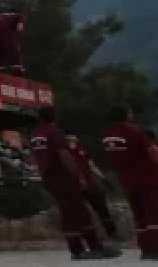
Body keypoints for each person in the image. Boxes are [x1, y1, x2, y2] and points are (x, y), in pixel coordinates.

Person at [29, 107, 119, 260]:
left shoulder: (35, 135)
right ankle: (86, 249)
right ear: (54, 117)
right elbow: (64, 155)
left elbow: (35, 157)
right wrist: (78, 175)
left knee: (69, 213)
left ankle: (84, 247)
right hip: (63, 178)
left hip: (49, 179)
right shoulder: (55, 132)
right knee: (78, 212)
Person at [101, 105, 158, 261]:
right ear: (126, 115)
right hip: (147, 179)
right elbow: (151, 153)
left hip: (127, 180)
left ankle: (147, 249)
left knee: (141, 215)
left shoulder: (107, 136)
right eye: (130, 112)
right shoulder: (134, 132)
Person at [65, 134, 117, 240]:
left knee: (102, 209)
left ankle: (111, 233)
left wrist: (104, 179)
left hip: (90, 185)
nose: (73, 140)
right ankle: (86, 236)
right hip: (74, 186)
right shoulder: (64, 153)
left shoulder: (82, 151)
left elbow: (92, 166)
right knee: (81, 213)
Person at [0, 7, 26, 75]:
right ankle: (17, 69)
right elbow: (19, 28)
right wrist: (18, 41)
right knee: (13, 49)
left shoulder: (2, 16)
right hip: (1, 26)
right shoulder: (19, 16)